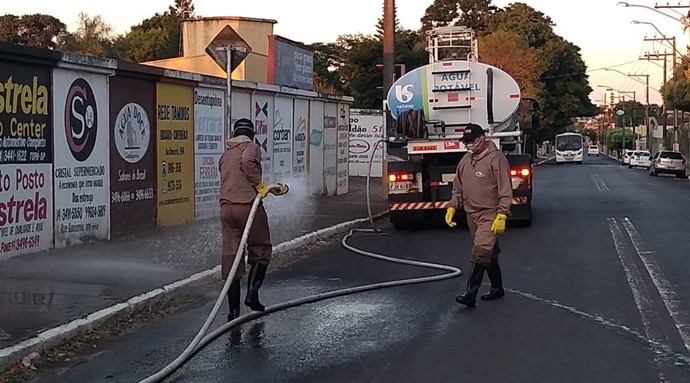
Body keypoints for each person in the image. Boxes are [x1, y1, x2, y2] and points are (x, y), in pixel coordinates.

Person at [219, 118, 286, 321]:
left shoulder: (226, 153)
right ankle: (251, 296)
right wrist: (259, 184)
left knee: (232, 256)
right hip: (247, 206)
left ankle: (233, 311)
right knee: (261, 249)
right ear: (251, 134)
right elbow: (247, 162)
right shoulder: (251, 147)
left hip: (226, 209)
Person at [445, 123, 513, 308]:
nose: (468, 145)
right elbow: (457, 187)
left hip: (489, 213)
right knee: (489, 253)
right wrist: (452, 206)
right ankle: (497, 288)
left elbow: (505, 188)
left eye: (471, 141)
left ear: (482, 138)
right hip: (471, 214)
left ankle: (470, 295)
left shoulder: (496, 159)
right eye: (465, 142)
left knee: (481, 251)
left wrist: (502, 214)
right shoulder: (466, 161)